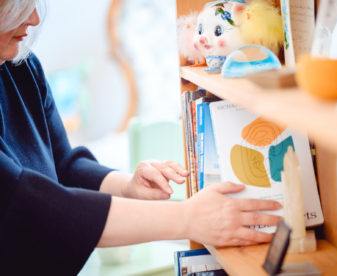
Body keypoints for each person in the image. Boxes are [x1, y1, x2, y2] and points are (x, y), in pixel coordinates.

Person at [0, 1, 281, 275]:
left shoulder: (20, 65)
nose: (34, 18)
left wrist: (127, 186)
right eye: (16, 7)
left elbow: (62, 165)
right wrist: (188, 218)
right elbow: (29, 205)